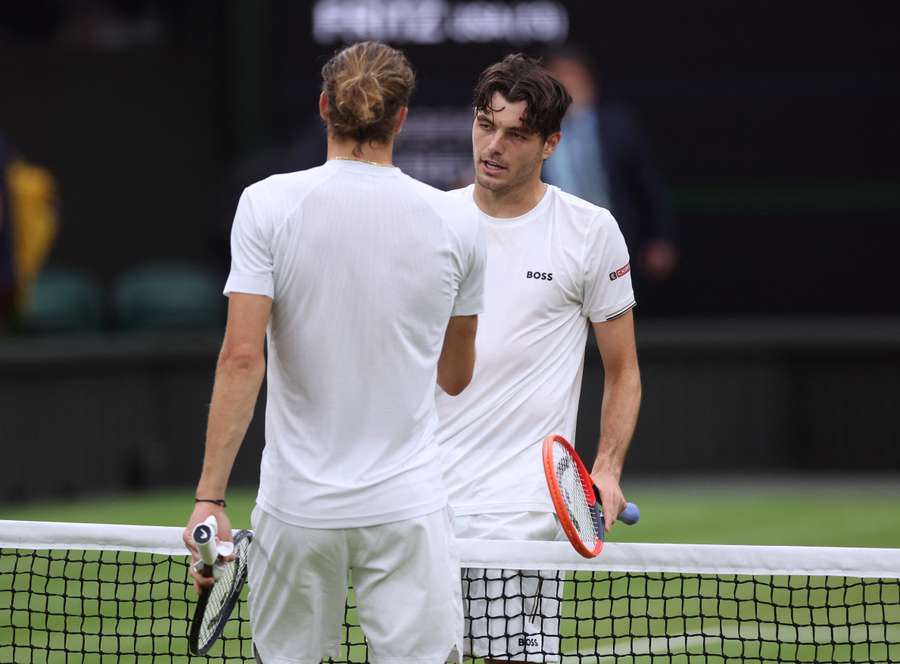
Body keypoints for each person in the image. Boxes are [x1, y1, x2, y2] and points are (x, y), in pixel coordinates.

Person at [183, 41, 487, 664]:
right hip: (407, 511)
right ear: (400, 119)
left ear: (326, 107)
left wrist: (208, 500)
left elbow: (242, 357)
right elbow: (455, 377)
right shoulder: (458, 222)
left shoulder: (265, 204)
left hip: (297, 511)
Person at [434, 54, 642, 661]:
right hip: (420, 509)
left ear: (550, 142)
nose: (493, 146)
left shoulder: (590, 231)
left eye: (516, 134)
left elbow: (624, 370)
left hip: (521, 516)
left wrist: (605, 468)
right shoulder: (430, 221)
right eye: (484, 124)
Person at [542, 45, 678, 292]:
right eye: (560, 78)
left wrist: (661, 238)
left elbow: (648, 187)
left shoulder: (618, 126)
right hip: (554, 253)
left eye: (575, 77)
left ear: (589, 82)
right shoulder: (532, 132)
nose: (569, 85)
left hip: (616, 246)